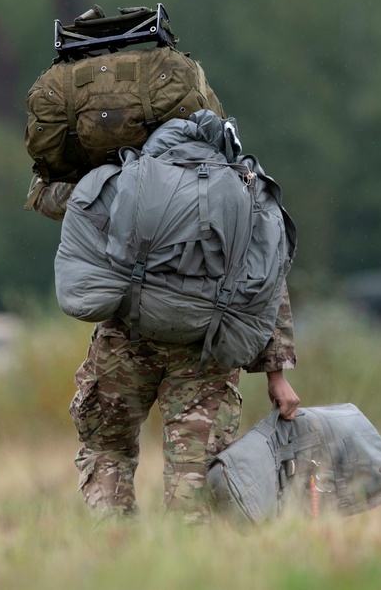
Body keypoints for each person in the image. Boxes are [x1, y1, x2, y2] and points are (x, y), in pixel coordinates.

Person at [26, 161, 300, 524]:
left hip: (126, 339)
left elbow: (48, 199)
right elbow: (269, 274)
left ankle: (116, 546)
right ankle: (185, 567)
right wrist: (275, 373)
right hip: (206, 347)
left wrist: (64, 157)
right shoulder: (239, 179)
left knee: (107, 449)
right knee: (196, 470)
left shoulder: (125, 169)